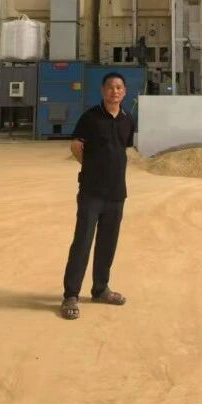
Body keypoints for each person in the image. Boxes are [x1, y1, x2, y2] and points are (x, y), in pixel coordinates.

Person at [60, 72, 135, 320]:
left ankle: (101, 289)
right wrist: (90, 166)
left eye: (119, 87)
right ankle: (71, 294)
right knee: (82, 241)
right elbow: (75, 146)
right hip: (92, 192)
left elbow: (122, 149)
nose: (115, 91)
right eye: (110, 87)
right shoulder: (90, 117)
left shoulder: (128, 119)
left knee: (108, 242)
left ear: (124, 92)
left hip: (116, 193)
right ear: (103, 91)